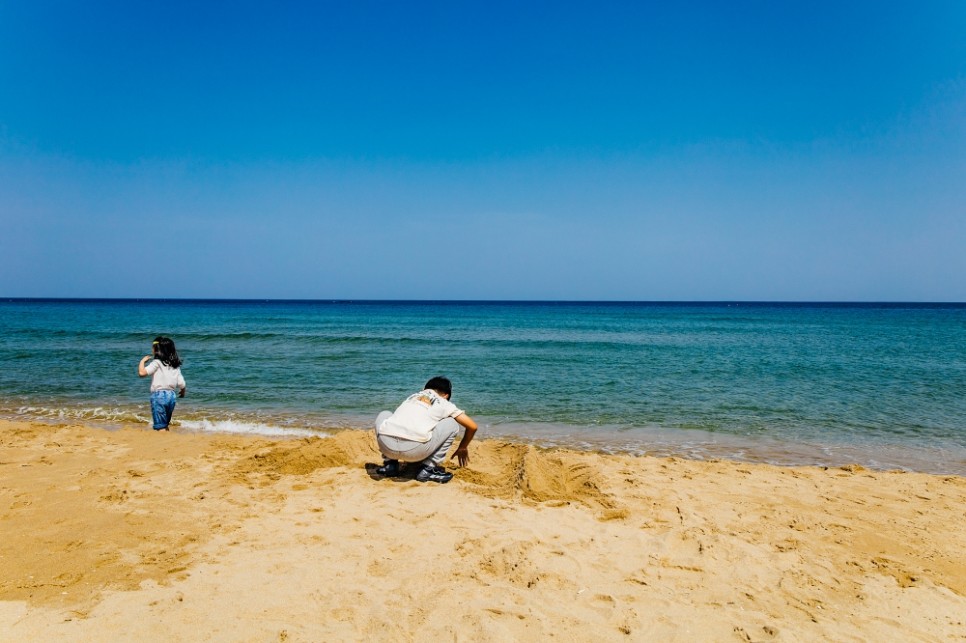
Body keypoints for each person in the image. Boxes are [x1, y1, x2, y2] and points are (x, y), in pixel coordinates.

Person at [374, 376, 479, 483]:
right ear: (446, 395)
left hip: (387, 447)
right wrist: (463, 447)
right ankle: (428, 469)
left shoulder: (412, 397)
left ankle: (390, 464)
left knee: (385, 414)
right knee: (452, 423)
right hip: (414, 452)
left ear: (424, 389)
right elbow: (472, 426)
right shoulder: (444, 402)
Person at [137, 336, 187, 431]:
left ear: (157, 349)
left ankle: (164, 442)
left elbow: (142, 373)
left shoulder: (157, 362)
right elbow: (181, 383)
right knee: (165, 423)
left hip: (159, 396)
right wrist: (183, 391)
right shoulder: (174, 365)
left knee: (160, 426)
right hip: (171, 396)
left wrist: (142, 361)